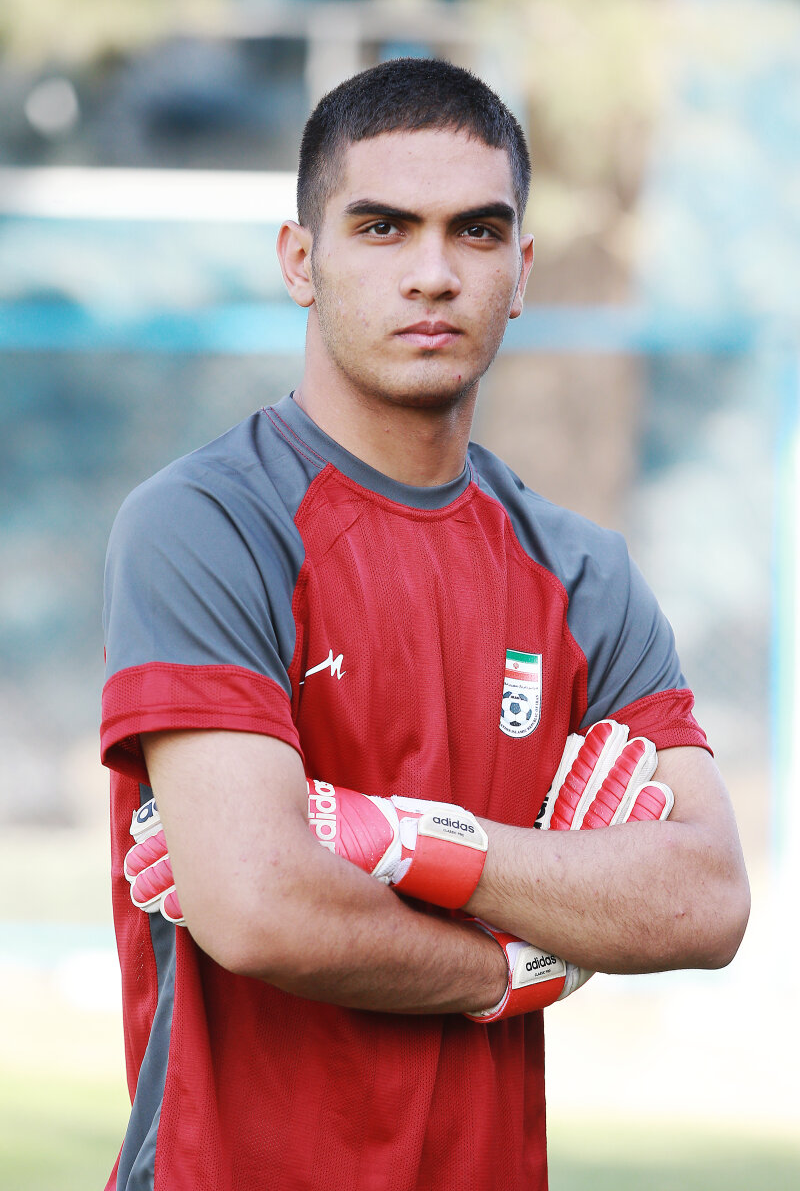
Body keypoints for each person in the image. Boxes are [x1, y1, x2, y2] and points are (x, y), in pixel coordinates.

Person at [101, 58, 749, 1191]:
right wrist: (514, 962)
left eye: (477, 232)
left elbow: (705, 899)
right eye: (382, 227)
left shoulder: (582, 574)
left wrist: (393, 836)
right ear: (300, 261)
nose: (434, 273)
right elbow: (258, 908)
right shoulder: (207, 523)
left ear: (521, 271)